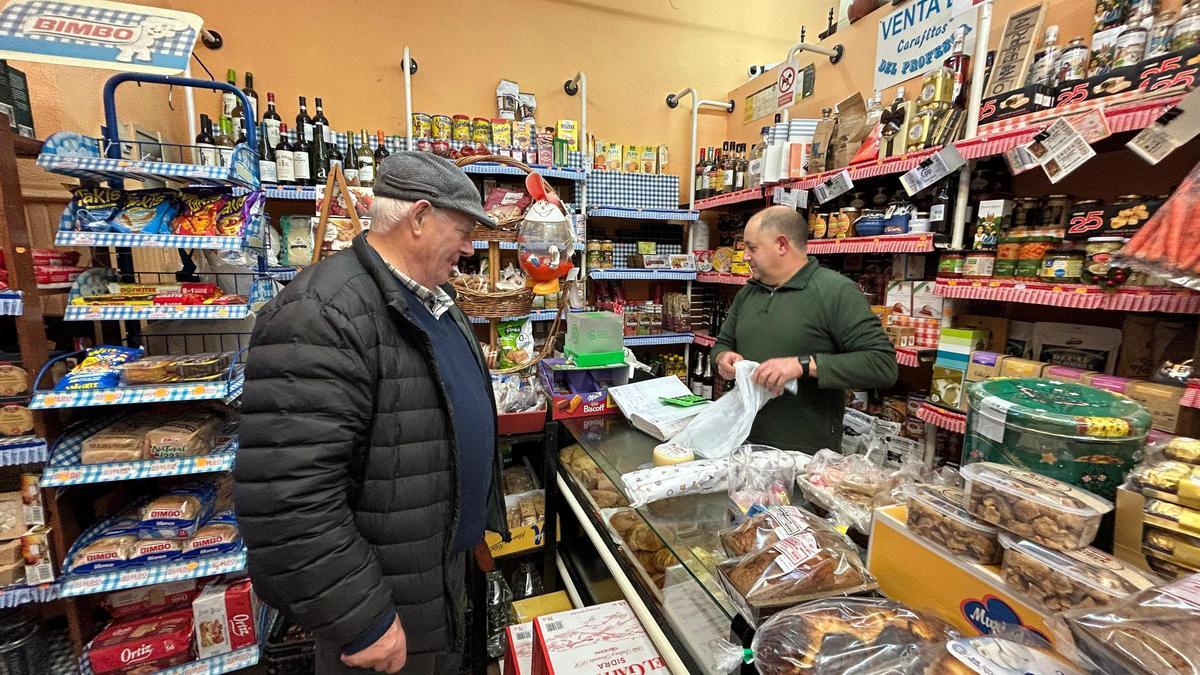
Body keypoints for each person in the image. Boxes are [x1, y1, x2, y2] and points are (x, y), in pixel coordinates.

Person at [233, 152, 509, 674]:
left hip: (436, 575)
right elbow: (287, 498)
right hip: (386, 602)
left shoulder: (432, 301)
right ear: (420, 218)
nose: (471, 248)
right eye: (464, 229)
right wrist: (361, 617)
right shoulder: (321, 314)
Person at [711, 205, 897, 453]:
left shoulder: (835, 292)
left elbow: (882, 365)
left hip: (804, 455)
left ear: (781, 245)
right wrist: (724, 358)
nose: (745, 256)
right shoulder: (747, 293)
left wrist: (802, 365)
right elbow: (722, 344)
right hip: (741, 443)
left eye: (752, 248)